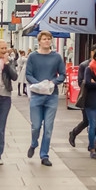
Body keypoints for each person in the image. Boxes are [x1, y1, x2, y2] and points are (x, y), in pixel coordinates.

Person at [24, 31, 67, 167]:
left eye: (49, 39)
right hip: (37, 95)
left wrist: (53, 82)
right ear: (39, 41)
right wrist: (38, 84)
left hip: (51, 95)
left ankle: (44, 155)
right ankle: (33, 143)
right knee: (36, 126)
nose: (47, 41)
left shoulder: (57, 57)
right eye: (44, 39)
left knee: (48, 128)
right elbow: (28, 74)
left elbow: (62, 74)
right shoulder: (33, 56)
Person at [67, 45, 96, 147]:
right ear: (92, 53)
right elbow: (81, 82)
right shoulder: (84, 65)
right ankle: (73, 133)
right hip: (87, 96)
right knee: (87, 121)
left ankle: (93, 145)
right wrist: (94, 83)